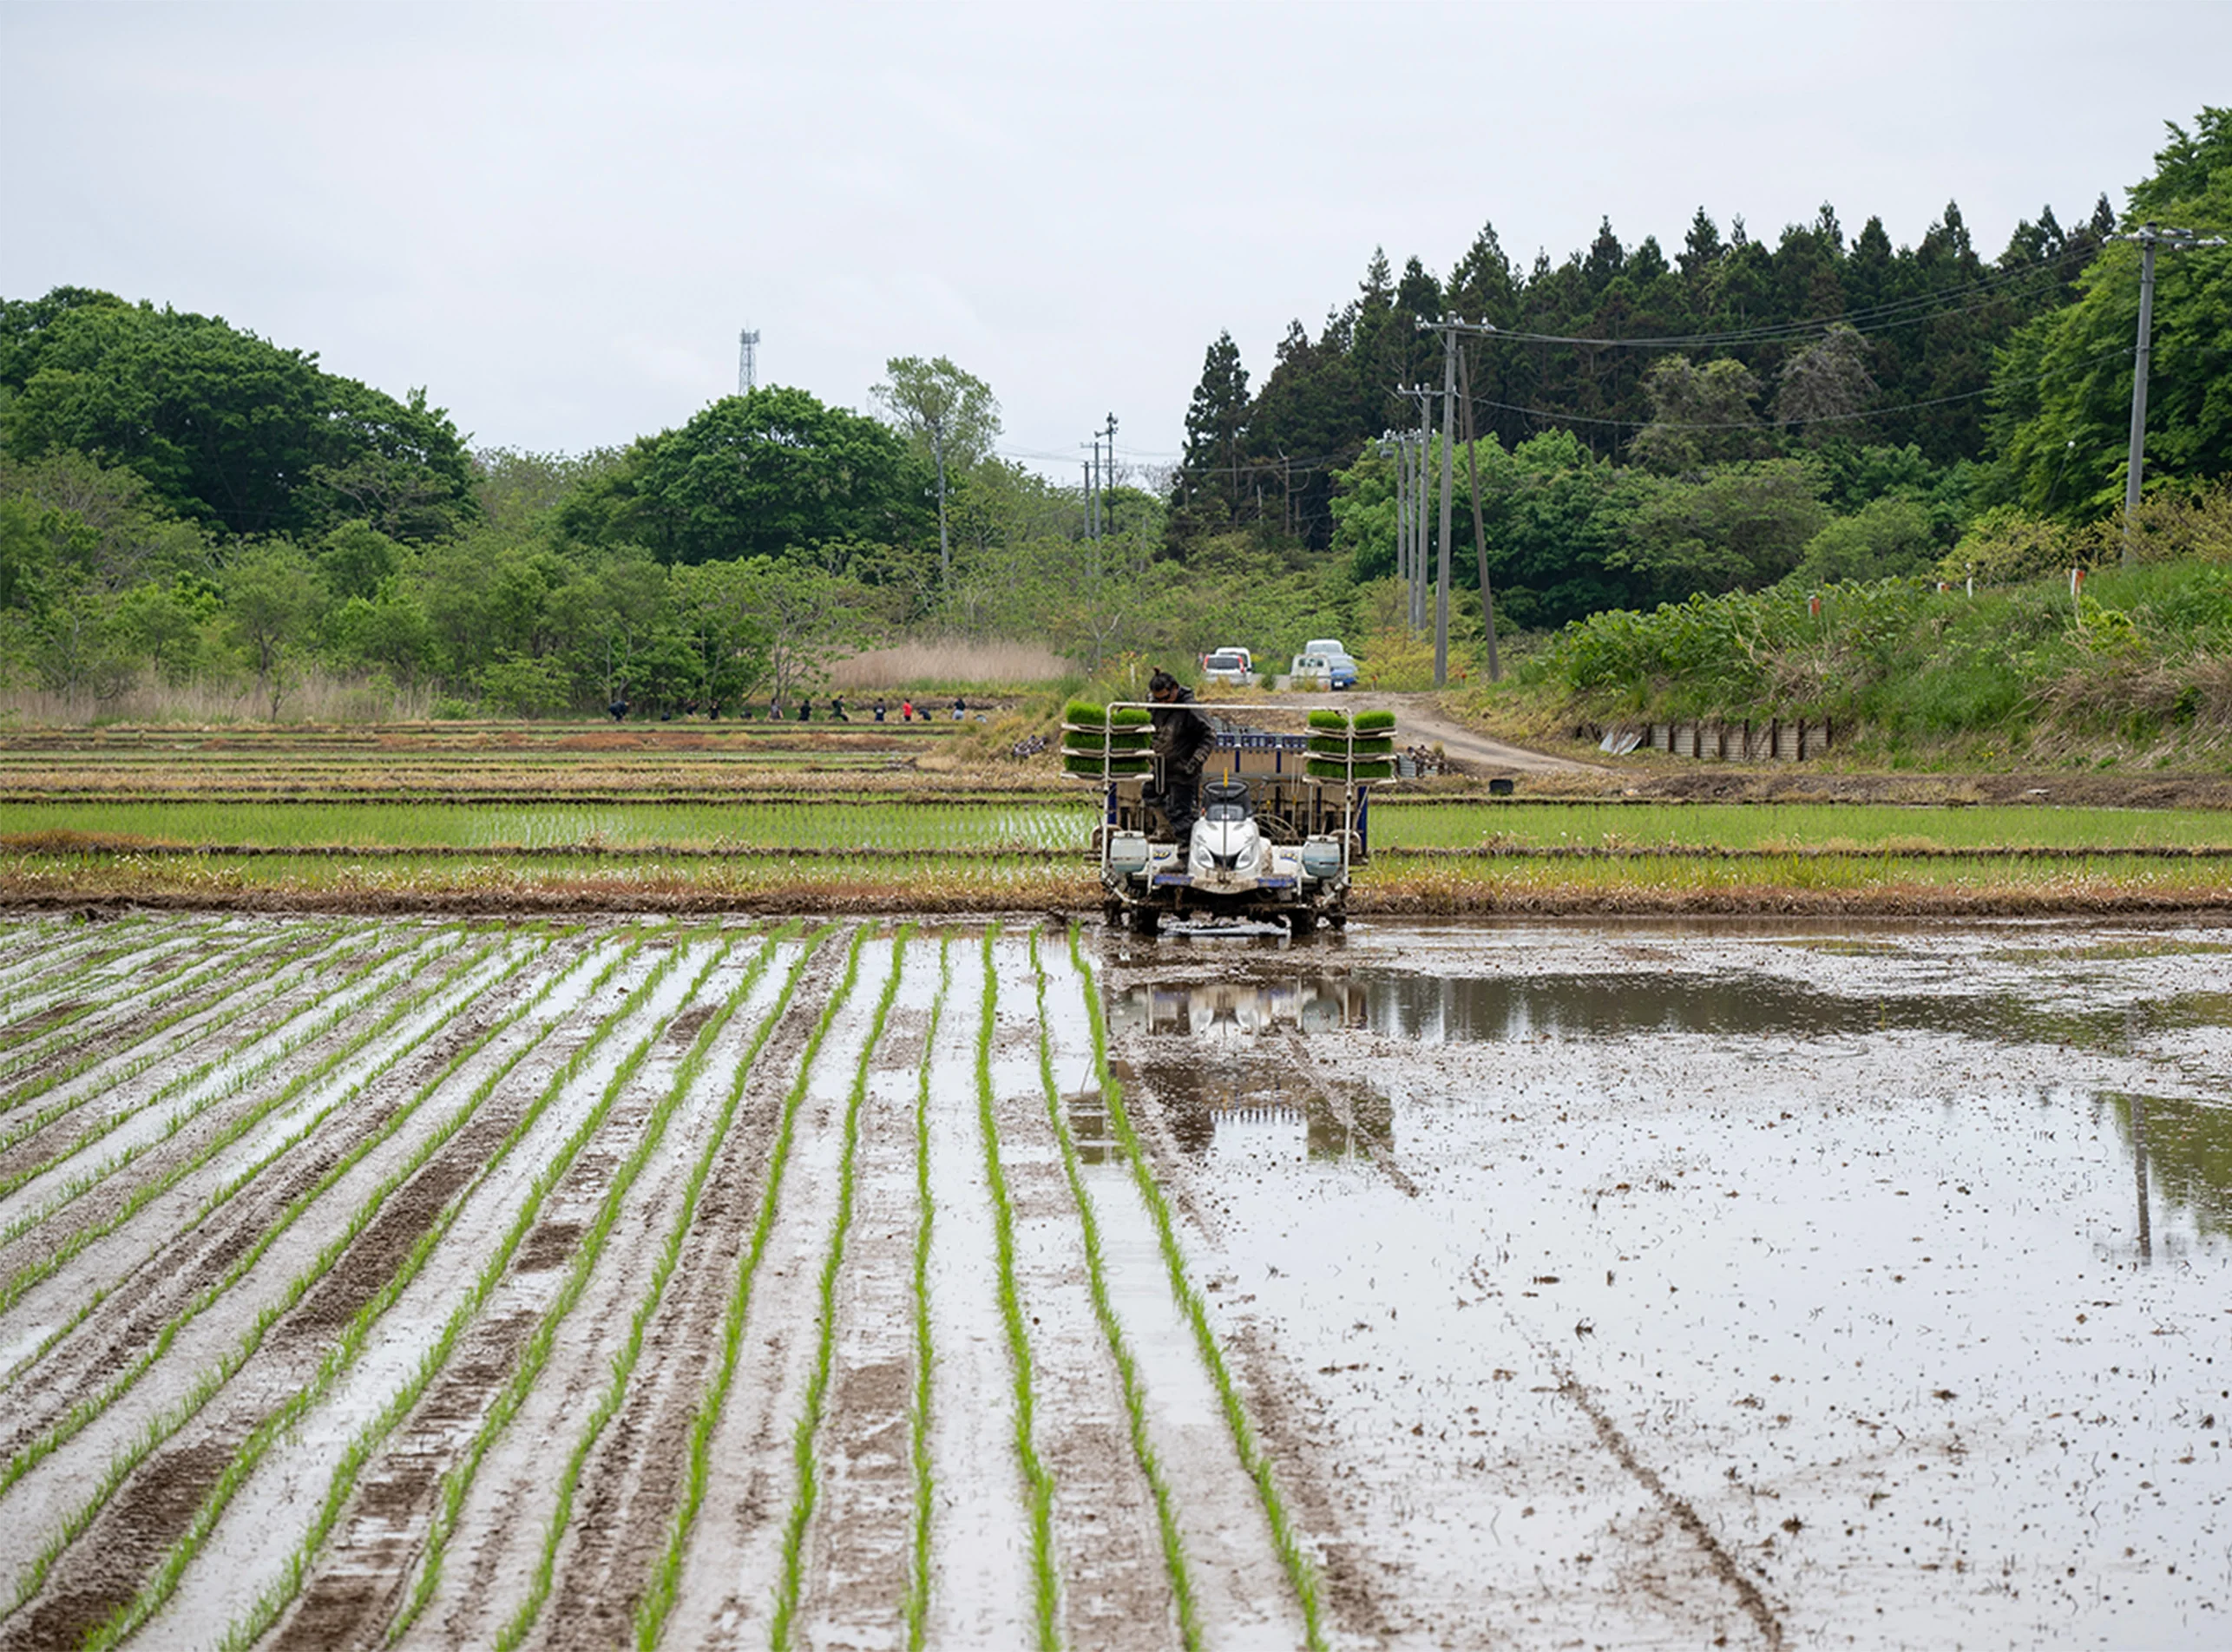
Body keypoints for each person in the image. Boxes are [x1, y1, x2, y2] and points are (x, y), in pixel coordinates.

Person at [1146, 667, 1215, 842]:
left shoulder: (1189, 708)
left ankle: (1184, 851)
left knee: (1181, 813)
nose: (1163, 703)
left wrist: (1196, 761)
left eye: (1166, 698)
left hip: (1184, 768)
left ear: (1175, 689)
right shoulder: (1154, 706)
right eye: (1158, 700)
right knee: (1149, 793)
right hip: (1161, 766)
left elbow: (1209, 735)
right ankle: (1165, 829)